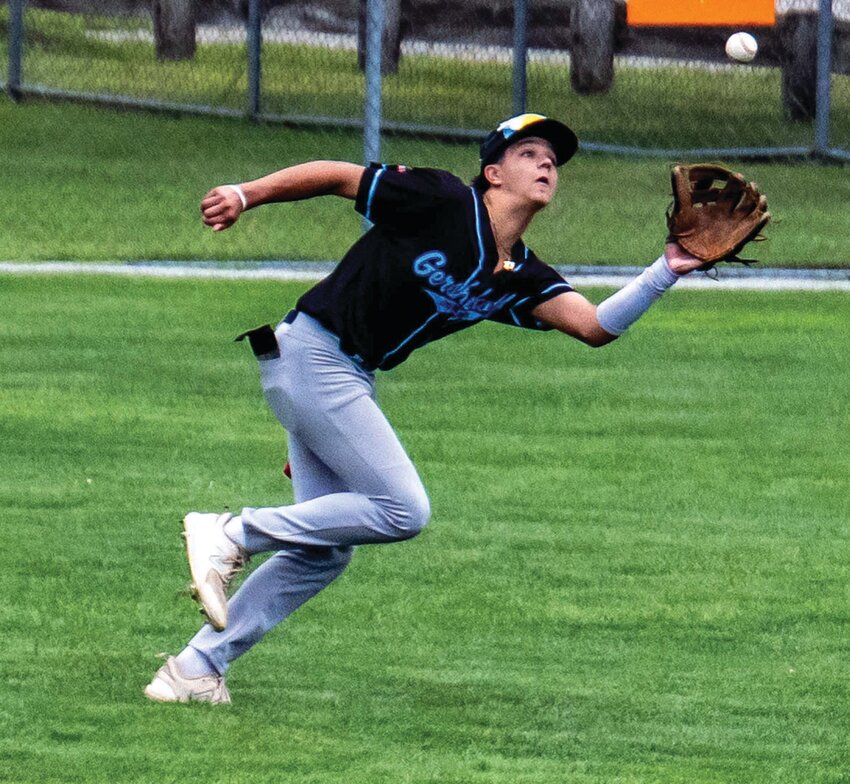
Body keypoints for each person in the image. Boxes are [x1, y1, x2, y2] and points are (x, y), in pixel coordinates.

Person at [144, 113, 706, 704]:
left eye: (553, 160)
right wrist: (244, 194)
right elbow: (338, 176)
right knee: (402, 510)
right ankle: (232, 532)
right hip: (312, 353)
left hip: (345, 377)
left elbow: (593, 326)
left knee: (322, 554)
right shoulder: (443, 200)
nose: (546, 164)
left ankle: (194, 668)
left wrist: (666, 269)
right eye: (530, 153)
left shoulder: (516, 271)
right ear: (492, 172)